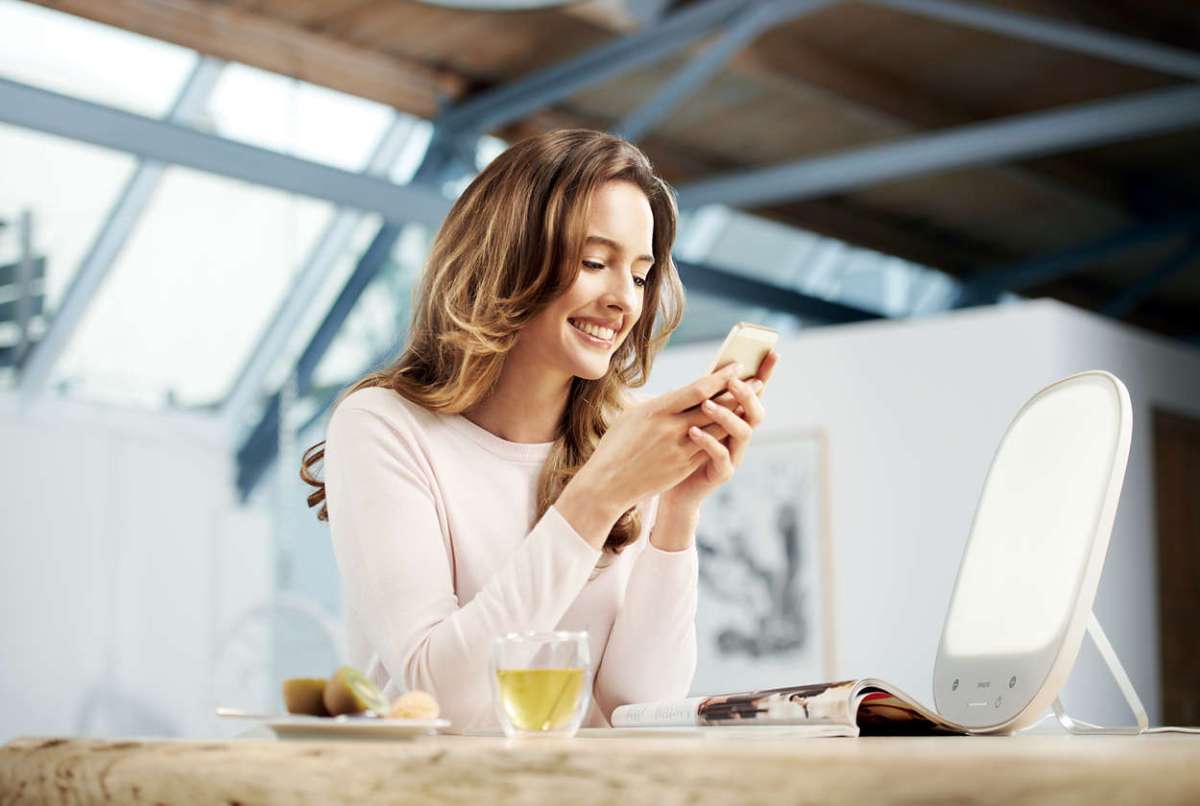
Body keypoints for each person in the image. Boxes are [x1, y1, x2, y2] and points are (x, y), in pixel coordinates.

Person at [300, 129, 777, 732]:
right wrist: (597, 497)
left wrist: (678, 509)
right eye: (594, 262)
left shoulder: (623, 436)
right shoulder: (383, 427)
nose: (623, 302)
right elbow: (444, 698)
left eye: (637, 275)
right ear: (507, 257)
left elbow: (637, 707)